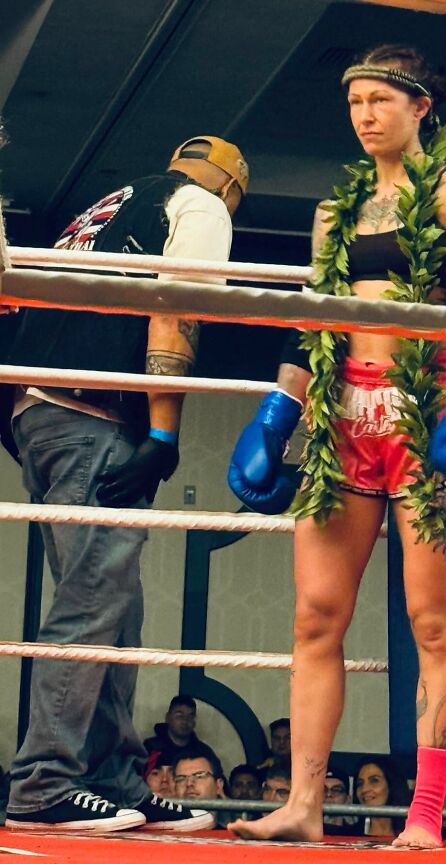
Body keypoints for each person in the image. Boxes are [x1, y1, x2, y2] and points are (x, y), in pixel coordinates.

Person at [228, 43, 446, 850]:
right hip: (339, 416)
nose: (363, 115)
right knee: (316, 615)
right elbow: (310, 321)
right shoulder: (335, 210)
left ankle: (425, 816)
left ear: (422, 105)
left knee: (435, 623)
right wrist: (276, 415)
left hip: (428, 417)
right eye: (354, 101)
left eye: (379, 101)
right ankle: (303, 803)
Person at [2, 135, 248, 832]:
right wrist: (164, 432)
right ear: (230, 186)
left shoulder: (108, 204)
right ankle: (44, 784)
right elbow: (178, 311)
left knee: (114, 607)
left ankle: (112, 777)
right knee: (91, 604)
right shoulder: (198, 205)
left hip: (39, 414)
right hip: (92, 413)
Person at [143, 694, 219, 766]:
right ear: (168, 717)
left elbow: (218, 777)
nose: (185, 721)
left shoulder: (203, 752)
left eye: (190, 717)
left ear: (194, 722)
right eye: (179, 716)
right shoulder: (151, 748)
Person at [173, 750, 234, 829]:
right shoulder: (160, 833)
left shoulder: (235, 834)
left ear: (218, 785)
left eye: (199, 775)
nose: (189, 783)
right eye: (181, 778)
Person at [354, 756, 411, 838]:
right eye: (360, 783)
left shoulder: (412, 836)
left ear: (392, 785)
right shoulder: (347, 835)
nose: (364, 789)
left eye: (374, 781)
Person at [322, 767, 361, 836]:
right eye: (323, 789)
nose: (329, 794)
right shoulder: (305, 831)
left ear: (348, 799)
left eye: (336, 790)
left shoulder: (356, 833)